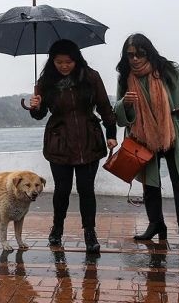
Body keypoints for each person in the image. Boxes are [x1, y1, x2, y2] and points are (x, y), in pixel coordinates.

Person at [114, 33, 179, 245]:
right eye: (130, 55)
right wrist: (125, 103)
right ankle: (155, 224)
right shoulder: (125, 77)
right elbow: (119, 114)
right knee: (149, 184)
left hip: (173, 134)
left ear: (149, 52)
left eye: (139, 54)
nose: (134, 59)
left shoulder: (170, 70)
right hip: (143, 138)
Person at [29, 39, 117, 253]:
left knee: (87, 190)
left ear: (76, 60)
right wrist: (35, 107)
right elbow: (40, 115)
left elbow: (105, 107)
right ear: (52, 62)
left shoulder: (91, 77)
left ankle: (90, 233)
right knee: (62, 190)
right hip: (59, 142)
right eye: (59, 62)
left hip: (89, 140)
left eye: (68, 62)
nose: (64, 66)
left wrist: (111, 133)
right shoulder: (45, 82)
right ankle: (57, 228)